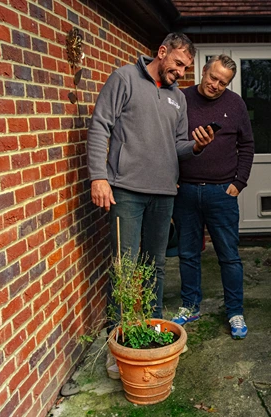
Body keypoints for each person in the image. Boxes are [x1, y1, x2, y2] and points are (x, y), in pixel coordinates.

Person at [87, 33, 214, 377]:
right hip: (125, 190)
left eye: (187, 68)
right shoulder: (124, 78)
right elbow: (100, 125)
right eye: (178, 64)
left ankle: (153, 332)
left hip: (163, 193)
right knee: (125, 268)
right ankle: (119, 344)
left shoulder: (178, 99)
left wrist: (197, 147)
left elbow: (179, 145)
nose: (181, 73)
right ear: (162, 52)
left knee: (155, 266)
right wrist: (98, 176)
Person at [171, 54, 254, 340]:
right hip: (186, 191)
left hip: (222, 192)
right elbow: (167, 141)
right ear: (202, 71)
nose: (216, 85)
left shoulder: (235, 104)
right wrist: (173, 181)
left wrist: (239, 183)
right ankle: (190, 305)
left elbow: (247, 144)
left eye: (223, 82)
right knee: (188, 253)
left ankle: (234, 311)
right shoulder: (180, 99)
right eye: (213, 78)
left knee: (229, 256)